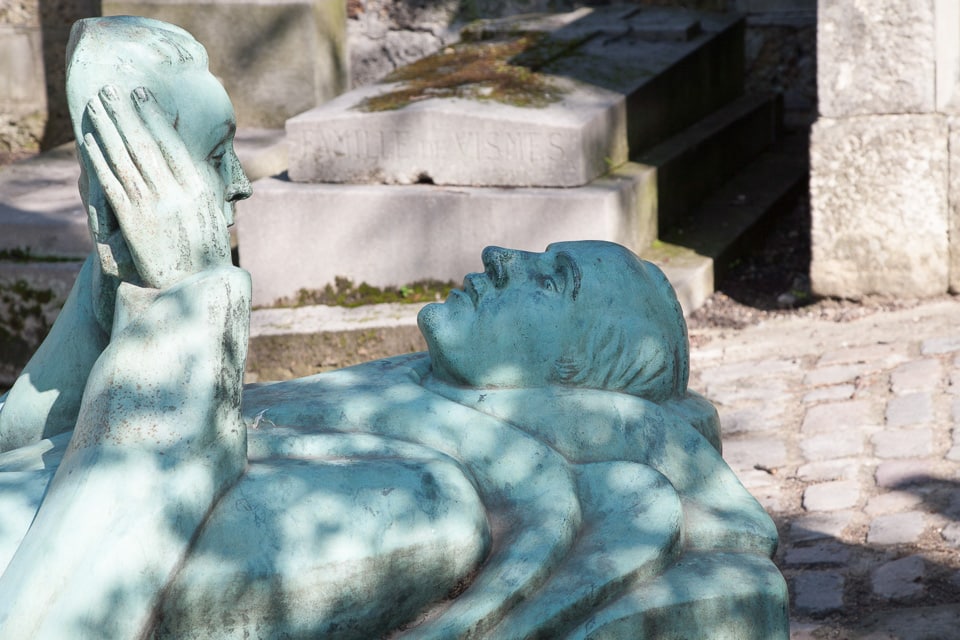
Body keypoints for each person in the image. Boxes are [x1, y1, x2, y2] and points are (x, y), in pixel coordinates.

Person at [0, 16, 787, 639]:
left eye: (554, 281)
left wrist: (181, 315)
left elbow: (75, 600)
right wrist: (124, 278)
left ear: (573, 378)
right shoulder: (356, 419)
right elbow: (32, 447)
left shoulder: (421, 506)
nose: (502, 254)